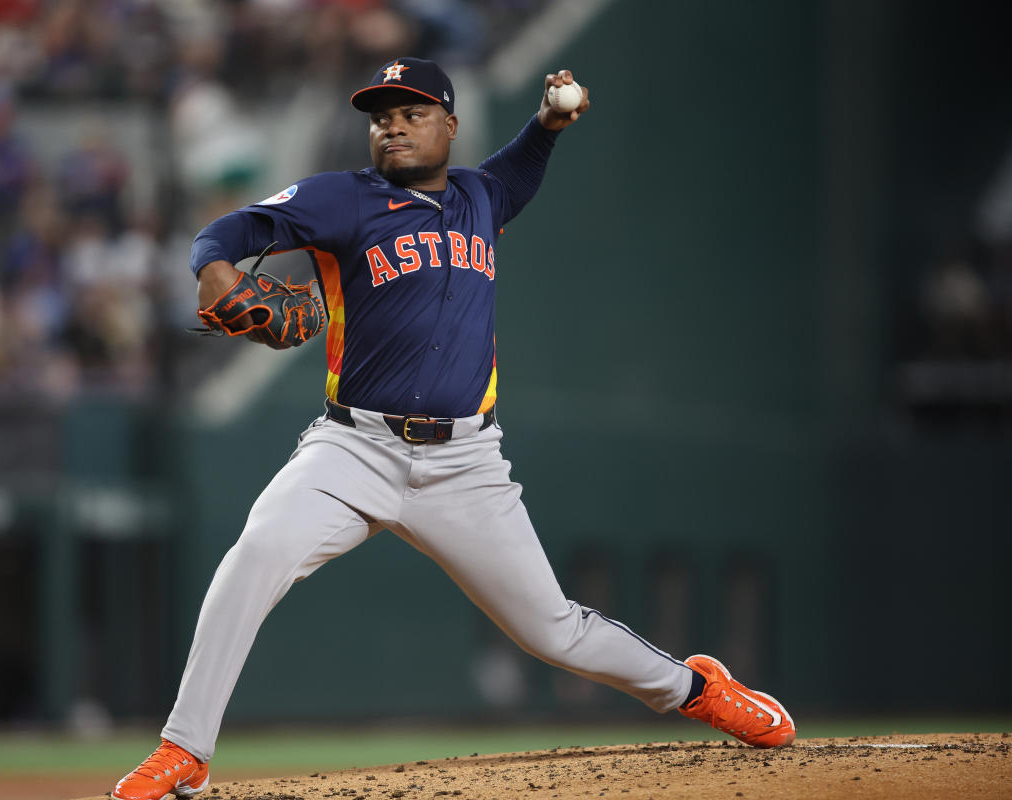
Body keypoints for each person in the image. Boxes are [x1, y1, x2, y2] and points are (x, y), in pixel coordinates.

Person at [111, 57, 795, 800]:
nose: (393, 125)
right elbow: (230, 229)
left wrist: (549, 123)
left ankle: (695, 689)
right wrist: (212, 265)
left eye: (411, 112)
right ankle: (185, 750)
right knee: (254, 559)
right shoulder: (340, 199)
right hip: (354, 448)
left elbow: (524, 165)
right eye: (381, 116)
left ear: (451, 125)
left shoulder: (481, 194)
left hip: (466, 463)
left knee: (553, 630)